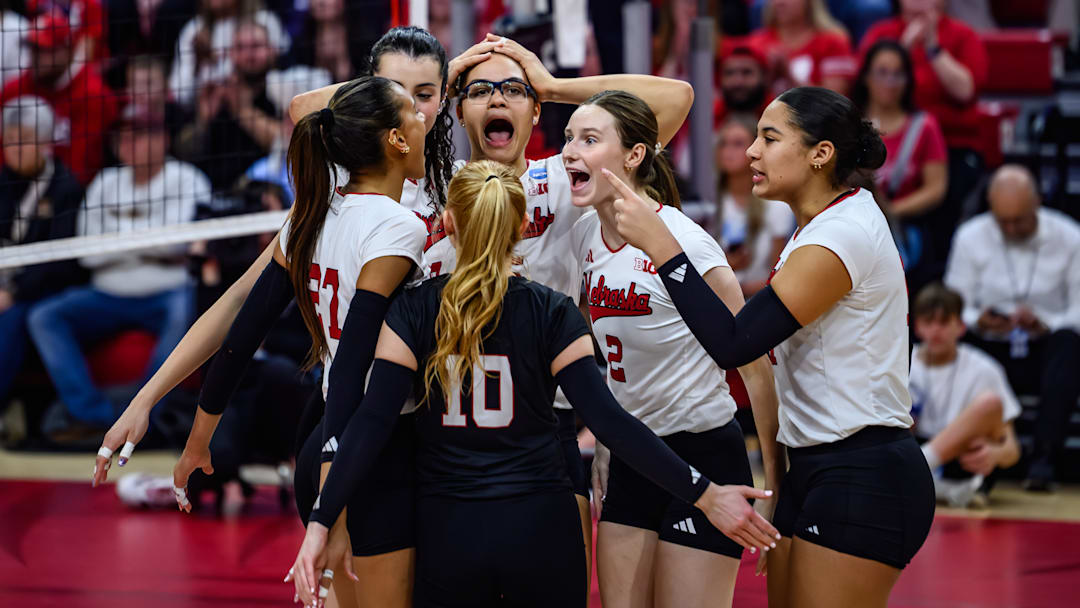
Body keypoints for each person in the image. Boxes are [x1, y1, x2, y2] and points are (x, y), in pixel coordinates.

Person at [286, 160, 779, 608]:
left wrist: (321, 521)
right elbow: (609, 421)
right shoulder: (553, 311)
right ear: (522, 228)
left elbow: (371, 422)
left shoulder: (413, 309)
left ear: (448, 223)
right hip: (540, 523)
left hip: (451, 527)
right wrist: (705, 493)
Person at [93, 26, 458, 606]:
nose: (414, 106)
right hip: (356, 426)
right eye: (394, 91)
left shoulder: (461, 191)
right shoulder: (344, 197)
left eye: (426, 94)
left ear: (446, 97)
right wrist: (148, 397)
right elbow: (242, 304)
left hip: (440, 434)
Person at [610, 86, 935, 607]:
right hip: (816, 466)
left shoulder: (843, 234)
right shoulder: (820, 225)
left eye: (769, 137)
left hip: (863, 472)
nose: (751, 152)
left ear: (820, 154)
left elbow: (735, 343)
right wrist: (780, 480)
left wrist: (662, 246)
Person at [176, 75, 428, 607]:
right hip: (365, 455)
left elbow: (241, 338)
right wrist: (330, 510)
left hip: (322, 451)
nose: (426, 117)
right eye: (415, 112)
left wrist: (200, 437)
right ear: (396, 140)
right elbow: (359, 358)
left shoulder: (310, 216)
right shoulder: (398, 226)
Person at [564, 91, 781, 608]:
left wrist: (776, 481)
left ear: (634, 156)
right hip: (635, 455)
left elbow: (753, 366)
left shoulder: (689, 244)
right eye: (570, 137)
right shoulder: (582, 238)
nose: (571, 150)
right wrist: (606, 441)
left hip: (702, 448)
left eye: (589, 139)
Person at [26, 105, 207, 438]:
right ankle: (92, 416)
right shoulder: (105, 182)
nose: (128, 143)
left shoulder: (187, 178)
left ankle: (148, 416)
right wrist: (152, 238)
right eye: (123, 136)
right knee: (45, 316)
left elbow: (179, 246)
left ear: (162, 139)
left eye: (138, 134)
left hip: (168, 291)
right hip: (106, 293)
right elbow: (87, 252)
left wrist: (117, 237)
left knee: (188, 311)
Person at [944, 165, 1080, 492]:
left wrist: (1045, 323)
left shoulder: (1069, 235)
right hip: (993, 342)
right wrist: (980, 319)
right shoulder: (970, 235)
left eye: (1018, 220)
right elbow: (955, 303)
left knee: (1069, 344)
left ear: (1037, 203)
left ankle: (1044, 459)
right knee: (959, 342)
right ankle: (971, 461)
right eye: (1002, 220)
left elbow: (1078, 309)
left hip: (1044, 345)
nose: (1010, 227)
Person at [860, 0, 988, 251]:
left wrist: (933, 48)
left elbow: (966, 91)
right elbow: (867, 80)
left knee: (945, 201)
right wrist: (903, 50)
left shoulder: (962, 35)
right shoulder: (881, 32)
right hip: (886, 132)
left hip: (952, 144)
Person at [0, 96, 86, 405]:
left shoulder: (65, 188)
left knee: (12, 320)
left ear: (44, 142)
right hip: (7, 281)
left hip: (45, 287)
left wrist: (14, 293)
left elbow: (59, 261)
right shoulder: (3, 183)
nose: (15, 148)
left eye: (23, 140)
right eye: (9, 140)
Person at [908, 283, 1021, 508]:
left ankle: (916, 476)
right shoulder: (902, 361)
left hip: (961, 460)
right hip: (912, 449)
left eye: (943, 322)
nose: (936, 331)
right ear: (917, 327)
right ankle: (933, 482)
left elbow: (1012, 450)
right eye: (929, 322)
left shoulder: (984, 368)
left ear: (960, 326)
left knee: (990, 403)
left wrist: (995, 454)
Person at [852, 40, 948, 287]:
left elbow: (935, 188)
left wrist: (891, 212)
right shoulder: (849, 124)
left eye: (898, 74)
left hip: (905, 230)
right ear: (866, 77)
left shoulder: (924, 126)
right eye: (882, 73)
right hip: (853, 228)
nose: (890, 82)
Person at [0, 10, 122, 184]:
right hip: (12, 187)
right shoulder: (14, 90)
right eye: (33, 48)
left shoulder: (94, 96)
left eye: (44, 50)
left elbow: (82, 169)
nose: (35, 57)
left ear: (68, 50)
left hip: (65, 195)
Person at [175, 18, 282, 191]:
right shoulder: (215, 94)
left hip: (262, 192)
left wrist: (242, 111)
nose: (249, 55)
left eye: (256, 46)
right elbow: (184, 152)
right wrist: (203, 120)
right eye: (240, 48)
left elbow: (286, 145)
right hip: (213, 194)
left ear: (272, 50)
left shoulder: (282, 92)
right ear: (231, 53)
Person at [708, 116, 794, 296]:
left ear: (755, 150)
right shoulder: (709, 200)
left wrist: (735, 286)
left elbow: (777, 277)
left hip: (757, 300)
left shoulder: (776, 204)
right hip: (712, 298)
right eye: (723, 143)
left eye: (738, 144)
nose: (728, 151)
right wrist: (727, 266)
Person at [168, 0, 289, 108]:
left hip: (264, 105)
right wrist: (196, 64)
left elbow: (282, 71)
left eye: (255, 45)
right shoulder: (194, 29)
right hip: (208, 114)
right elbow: (180, 95)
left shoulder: (264, 19)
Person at [748, 0, 856, 95]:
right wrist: (770, 75)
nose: (779, 2)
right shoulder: (755, 43)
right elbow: (744, 99)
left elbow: (833, 100)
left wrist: (789, 76)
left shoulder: (834, 42)